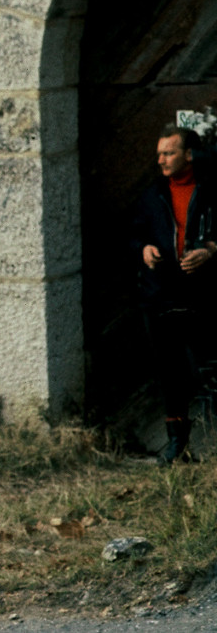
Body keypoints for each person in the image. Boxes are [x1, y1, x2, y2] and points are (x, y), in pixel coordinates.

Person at [131, 125, 217, 464]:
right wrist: (145, 249)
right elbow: (134, 235)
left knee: (210, 369)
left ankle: (212, 446)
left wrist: (210, 250)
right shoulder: (153, 195)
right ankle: (176, 447)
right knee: (171, 372)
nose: (161, 160)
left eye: (168, 153)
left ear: (189, 155)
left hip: (205, 295)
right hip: (162, 296)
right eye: (159, 154)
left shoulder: (211, 191)